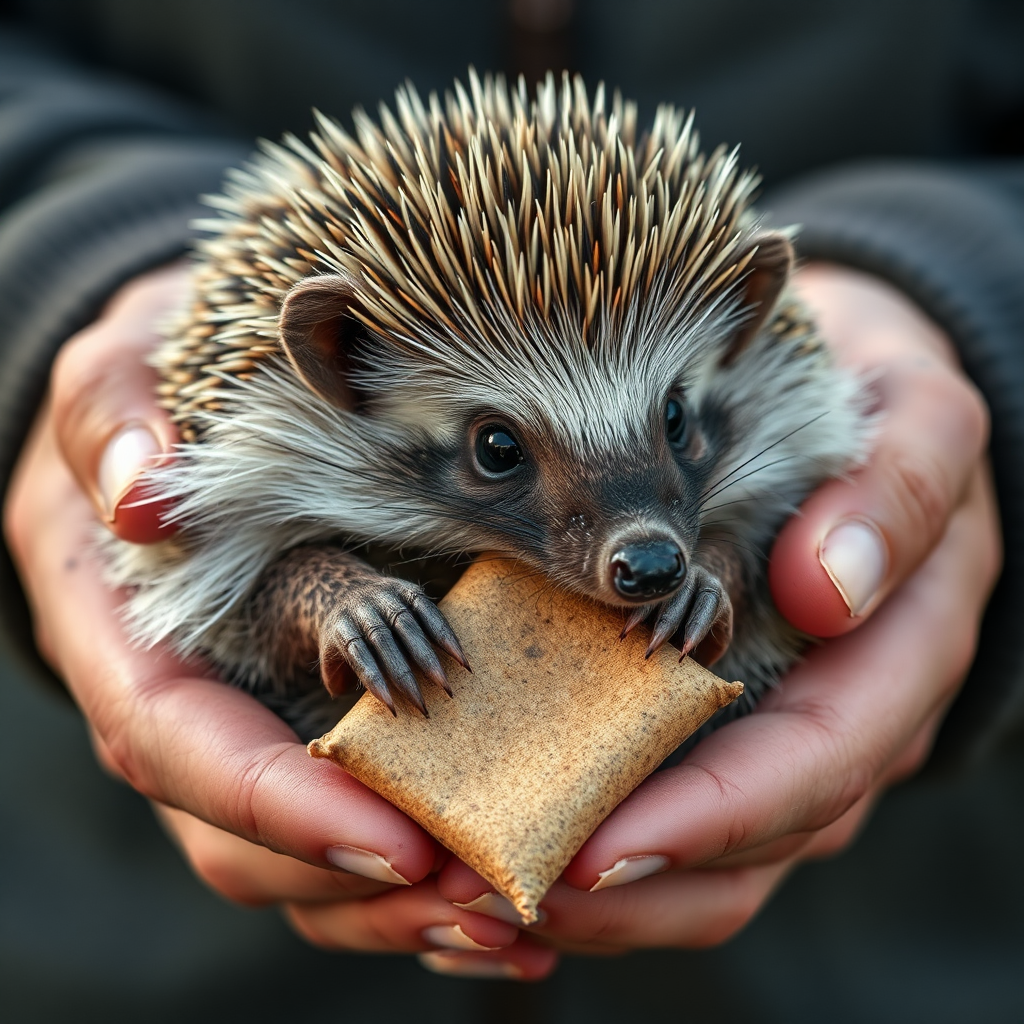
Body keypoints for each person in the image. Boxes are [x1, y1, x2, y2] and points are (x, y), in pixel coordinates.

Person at [1, 1, 1023, 1019]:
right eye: (501, 452)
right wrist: (323, 592)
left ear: (742, 320)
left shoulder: (751, 431)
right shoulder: (283, 452)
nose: (644, 536)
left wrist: (974, 317)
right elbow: (220, 591)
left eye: (674, 425)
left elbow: (769, 543)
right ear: (340, 369)